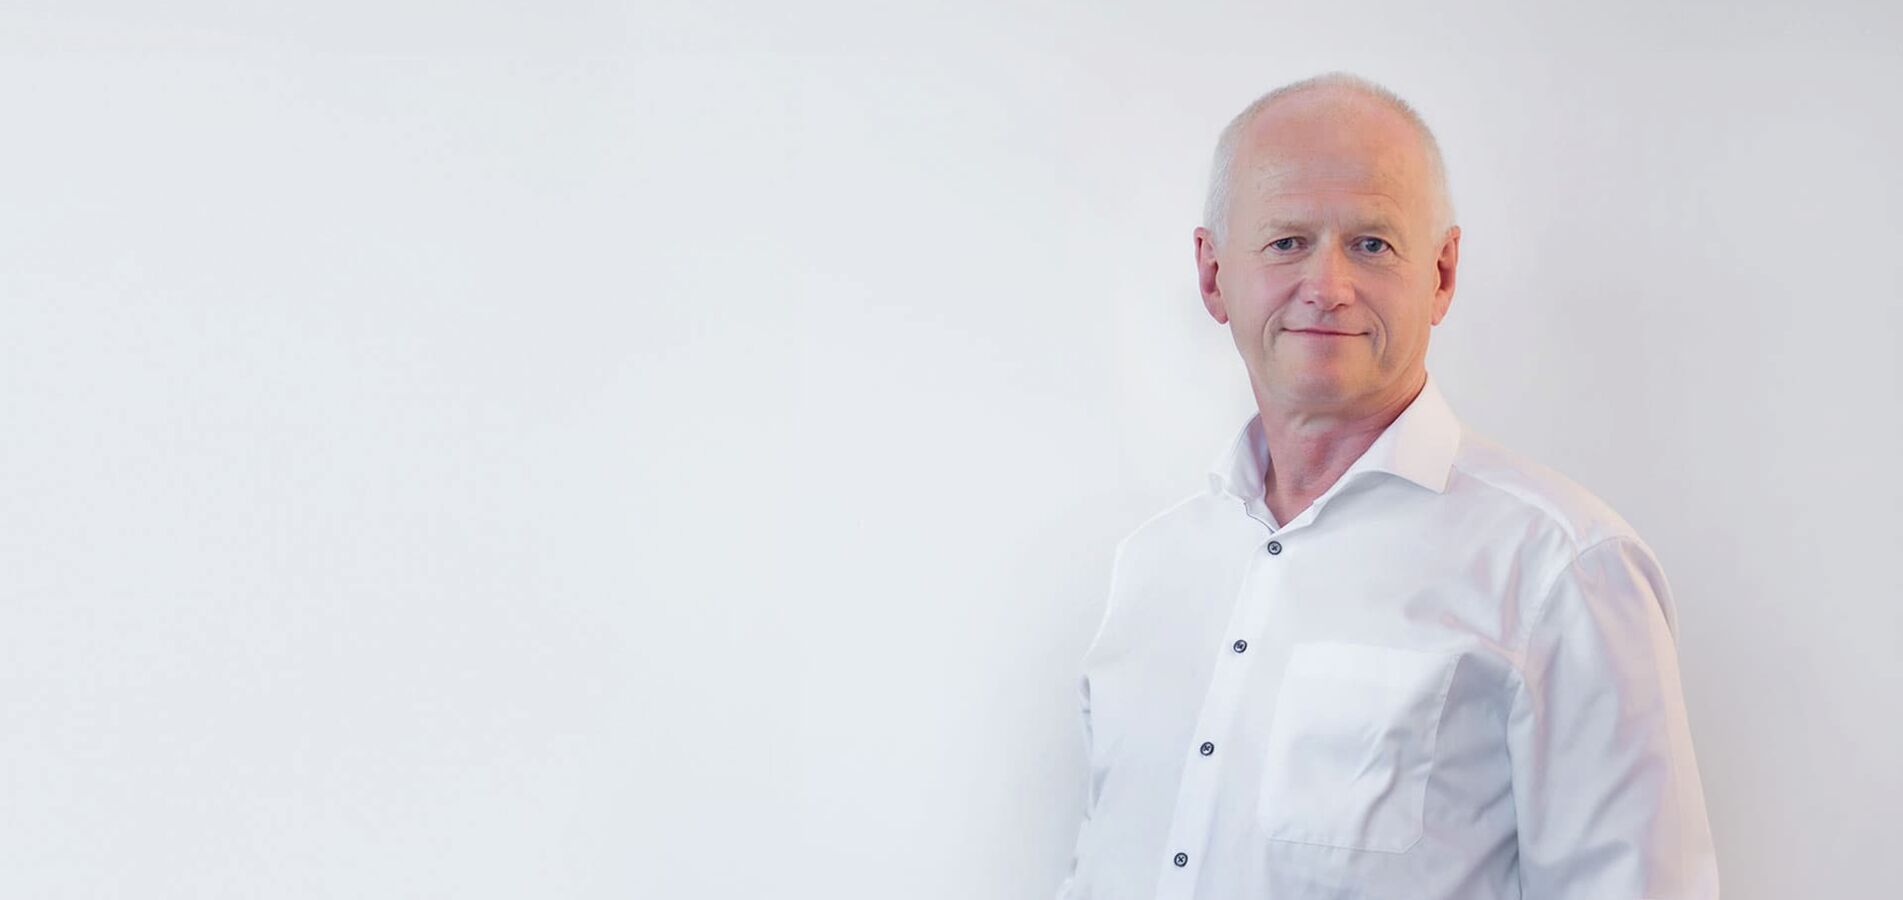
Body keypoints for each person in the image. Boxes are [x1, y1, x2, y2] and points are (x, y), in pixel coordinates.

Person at [1054, 72, 1720, 899]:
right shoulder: (1151, 567)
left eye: (1371, 244)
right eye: (1286, 241)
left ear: (1440, 274)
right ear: (1212, 273)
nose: (1327, 285)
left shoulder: (1563, 572)